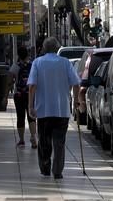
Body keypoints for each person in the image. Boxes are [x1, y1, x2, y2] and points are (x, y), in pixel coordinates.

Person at [28, 37, 80, 180]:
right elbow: (76, 83)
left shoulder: (37, 63)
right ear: (57, 48)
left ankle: (45, 168)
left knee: (44, 141)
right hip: (62, 109)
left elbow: (32, 85)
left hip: (43, 110)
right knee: (59, 142)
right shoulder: (65, 63)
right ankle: (57, 171)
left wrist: (30, 105)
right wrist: (75, 101)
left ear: (44, 48)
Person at [7, 46, 36, 149]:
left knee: (20, 117)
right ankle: (33, 138)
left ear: (18, 55)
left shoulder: (15, 66)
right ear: (27, 55)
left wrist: (6, 96)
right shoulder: (33, 65)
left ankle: (22, 140)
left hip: (19, 95)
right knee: (31, 116)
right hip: (30, 94)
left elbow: (9, 81)